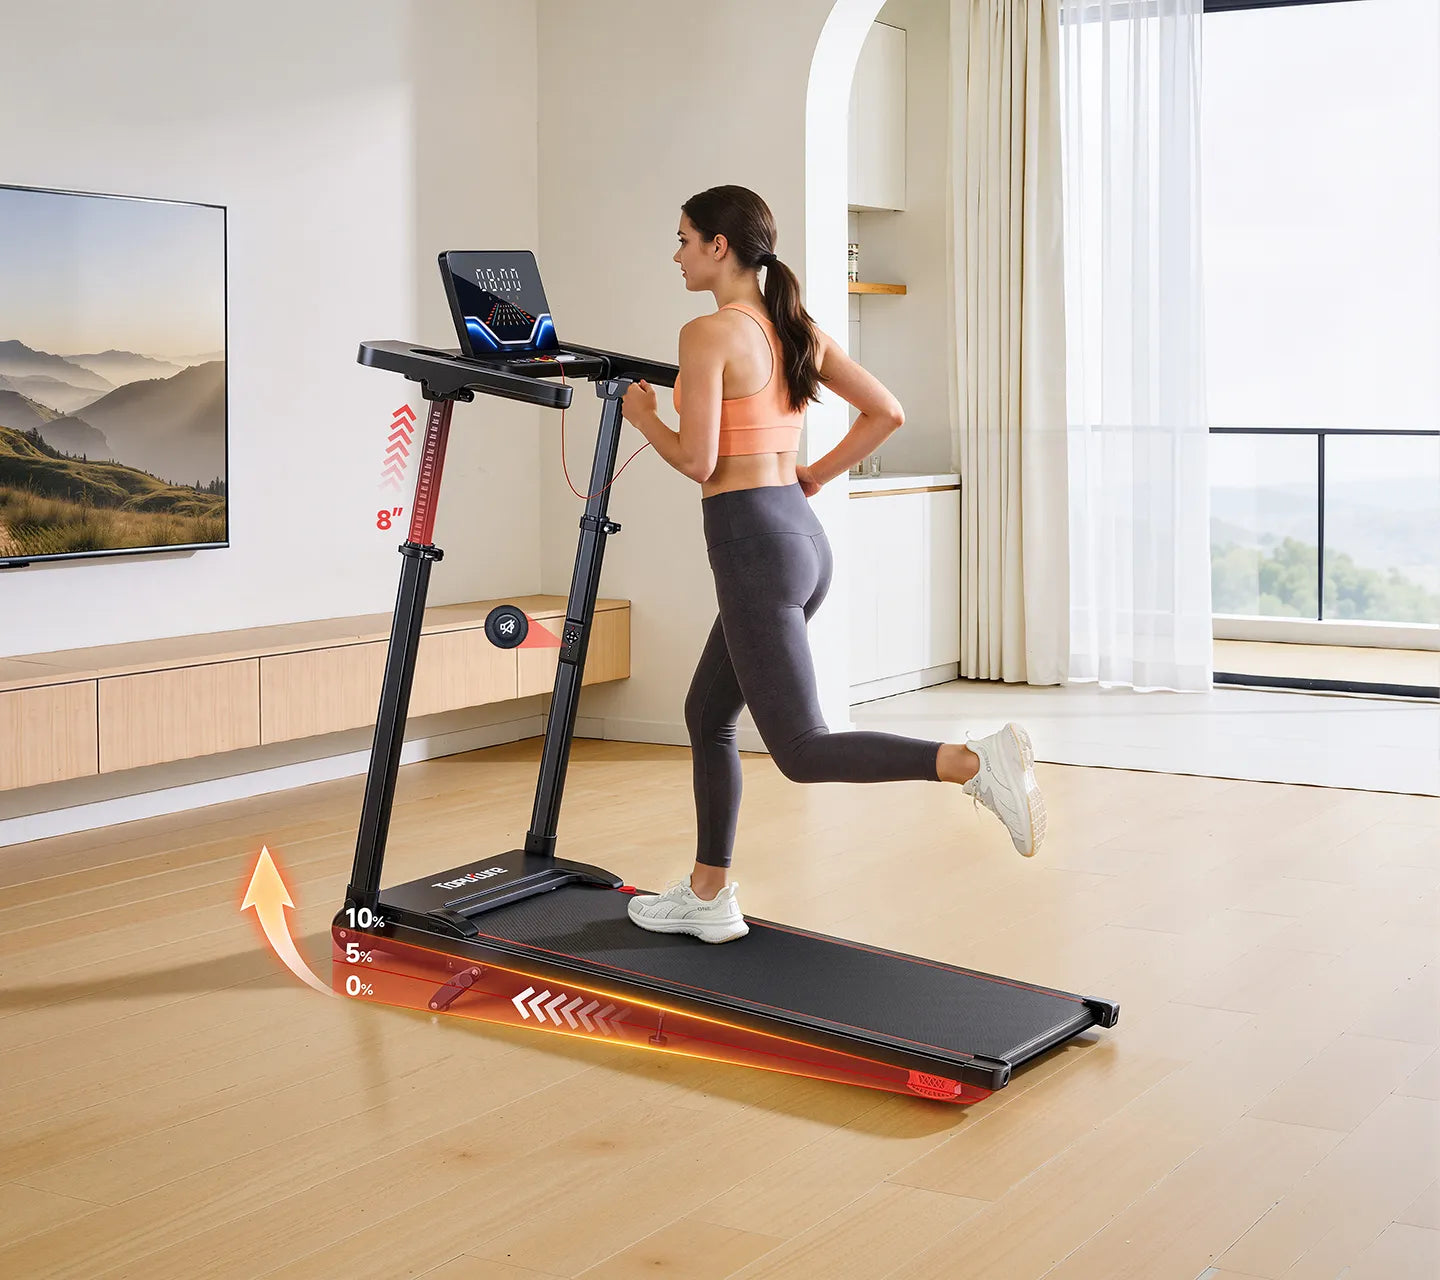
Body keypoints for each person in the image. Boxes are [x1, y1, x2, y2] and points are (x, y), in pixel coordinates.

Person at [618, 184, 1044, 944]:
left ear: (720, 247)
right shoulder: (794, 328)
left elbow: (699, 459)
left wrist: (646, 415)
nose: (675, 254)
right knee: (707, 714)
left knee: (802, 750)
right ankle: (709, 894)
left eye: (684, 238)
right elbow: (888, 411)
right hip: (800, 537)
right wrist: (813, 476)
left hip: (753, 547)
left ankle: (973, 764)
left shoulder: (709, 333)